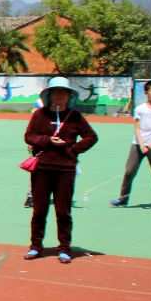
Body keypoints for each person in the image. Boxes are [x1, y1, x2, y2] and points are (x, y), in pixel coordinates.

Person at [25, 77, 98, 263]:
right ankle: (35, 246)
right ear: (49, 95)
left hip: (65, 169)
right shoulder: (39, 115)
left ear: (68, 96)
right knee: (39, 210)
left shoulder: (75, 116)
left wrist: (72, 149)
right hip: (41, 168)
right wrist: (47, 141)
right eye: (55, 93)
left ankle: (64, 247)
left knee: (63, 211)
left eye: (63, 93)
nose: (59, 97)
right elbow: (29, 136)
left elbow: (91, 137)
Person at [112, 80, 151, 212]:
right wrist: (141, 145)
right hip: (137, 145)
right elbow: (137, 128)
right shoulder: (140, 109)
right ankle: (123, 198)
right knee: (129, 172)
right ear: (146, 93)